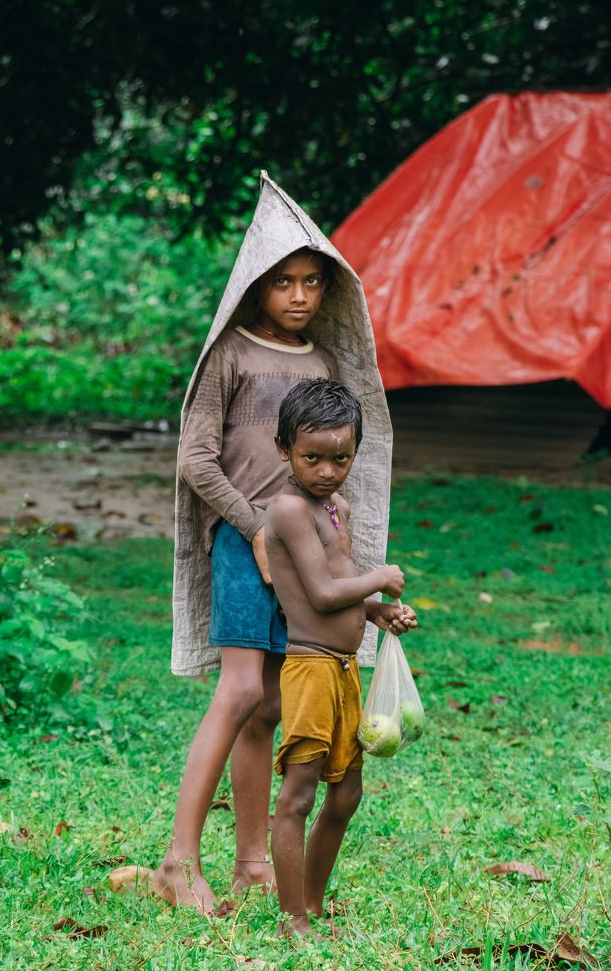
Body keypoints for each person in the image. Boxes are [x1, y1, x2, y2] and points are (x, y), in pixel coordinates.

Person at [154, 173, 394, 912]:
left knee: (269, 710)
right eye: (283, 281)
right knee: (239, 691)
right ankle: (176, 860)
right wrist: (257, 529)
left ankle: (254, 862)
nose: (297, 295)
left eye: (312, 282)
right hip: (240, 543)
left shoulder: (322, 366)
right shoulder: (229, 355)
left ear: (327, 290)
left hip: (306, 554)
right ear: (257, 284)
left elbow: (334, 477)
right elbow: (196, 461)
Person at [264, 378, 417, 938]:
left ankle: (312, 902)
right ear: (283, 449)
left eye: (341, 458)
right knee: (299, 795)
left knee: (347, 792)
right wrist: (381, 577)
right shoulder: (286, 510)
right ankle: (291, 917)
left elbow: (342, 584)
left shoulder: (337, 507)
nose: (327, 471)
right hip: (309, 669)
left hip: (346, 667)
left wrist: (377, 609)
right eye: (312, 458)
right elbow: (324, 595)